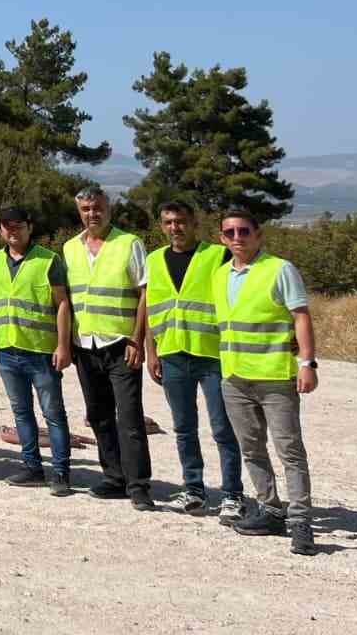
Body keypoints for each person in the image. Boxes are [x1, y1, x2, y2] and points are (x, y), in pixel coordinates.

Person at [214, 209, 318, 556]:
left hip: (275, 376)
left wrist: (307, 363)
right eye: (230, 233)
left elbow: (300, 316)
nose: (237, 238)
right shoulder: (220, 276)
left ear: (258, 235)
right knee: (252, 448)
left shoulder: (280, 269)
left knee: (290, 451)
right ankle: (271, 510)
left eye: (244, 231)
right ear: (221, 239)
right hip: (235, 377)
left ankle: (301, 521)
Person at [144, 199, 242, 518]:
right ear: (162, 226)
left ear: (194, 223)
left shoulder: (217, 255)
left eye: (181, 221)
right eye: (169, 222)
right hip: (172, 354)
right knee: (184, 428)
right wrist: (151, 351)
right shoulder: (154, 259)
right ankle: (194, 490)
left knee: (222, 429)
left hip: (212, 355)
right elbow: (149, 308)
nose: (175, 227)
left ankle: (232, 495)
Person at [65, 185, 154, 510]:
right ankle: (114, 477)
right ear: (79, 212)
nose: (93, 214)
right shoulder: (70, 248)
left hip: (120, 344)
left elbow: (145, 293)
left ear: (108, 209)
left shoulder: (129, 244)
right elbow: (67, 300)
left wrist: (137, 338)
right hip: (84, 344)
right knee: (98, 415)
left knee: (129, 418)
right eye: (86, 209)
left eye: (98, 207)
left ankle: (139, 485)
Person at [0, 207, 73, 496]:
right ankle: (32, 466)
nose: (12, 232)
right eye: (6, 227)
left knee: (53, 413)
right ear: (0, 230)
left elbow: (62, 304)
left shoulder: (48, 260)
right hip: (8, 349)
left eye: (18, 226)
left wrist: (63, 344)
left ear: (29, 227)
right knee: (21, 412)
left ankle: (60, 473)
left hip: (41, 351)